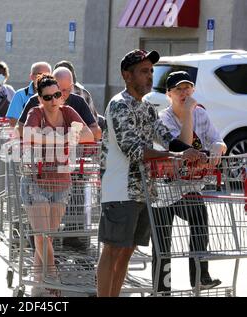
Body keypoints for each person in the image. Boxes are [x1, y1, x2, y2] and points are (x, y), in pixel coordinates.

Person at [96, 49, 205, 297]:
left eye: (151, 72)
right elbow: (133, 150)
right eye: (144, 71)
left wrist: (192, 152)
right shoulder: (119, 105)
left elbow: (166, 138)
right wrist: (177, 156)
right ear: (127, 75)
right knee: (112, 250)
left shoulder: (146, 107)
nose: (150, 77)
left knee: (127, 250)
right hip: (119, 189)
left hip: (144, 190)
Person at [151, 71, 226, 293]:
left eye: (187, 88)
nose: (184, 93)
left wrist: (218, 147)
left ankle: (200, 276)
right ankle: (162, 287)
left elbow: (218, 140)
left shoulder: (201, 114)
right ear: (169, 94)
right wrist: (187, 115)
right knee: (163, 243)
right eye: (178, 89)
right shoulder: (163, 119)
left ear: (193, 90)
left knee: (200, 219)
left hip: (188, 186)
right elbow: (183, 147)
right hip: (163, 187)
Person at [21, 74, 94, 297]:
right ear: (40, 98)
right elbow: (26, 134)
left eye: (57, 95)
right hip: (36, 179)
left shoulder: (68, 112)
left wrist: (49, 137)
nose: (54, 100)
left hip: (62, 181)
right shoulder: (36, 113)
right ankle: (53, 278)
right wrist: (62, 138)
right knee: (42, 234)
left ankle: (37, 285)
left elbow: (89, 135)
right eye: (48, 97)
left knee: (47, 236)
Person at [18, 67, 101, 140]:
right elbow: (20, 129)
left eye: (65, 90)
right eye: (58, 90)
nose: (61, 94)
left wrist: (69, 138)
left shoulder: (75, 104)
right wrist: (58, 139)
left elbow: (95, 132)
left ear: (72, 87)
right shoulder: (34, 103)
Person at [5, 62, 51, 127]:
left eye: (47, 75)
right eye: (40, 75)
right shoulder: (20, 95)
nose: (44, 78)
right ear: (31, 76)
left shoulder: (55, 96)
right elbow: (13, 122)